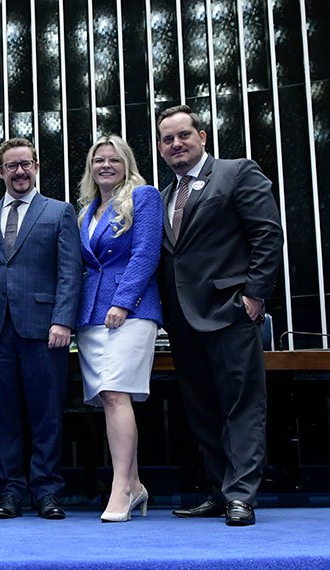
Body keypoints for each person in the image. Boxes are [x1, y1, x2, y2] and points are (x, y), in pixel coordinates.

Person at [156, 105, 283, 526]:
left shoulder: (236, 172)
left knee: (242, 406)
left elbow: (267, 234)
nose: (176, 144)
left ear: (202, 136)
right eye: (167, 139)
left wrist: (254, 295)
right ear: (159, 148)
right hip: (182, 321)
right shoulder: (162, 197)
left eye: (183, 136)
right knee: (202, 409)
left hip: (230, 311)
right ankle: (217, 489)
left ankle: (242, 495)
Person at [0, 138, 82, 520]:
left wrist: (63, 320)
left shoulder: (59, 211)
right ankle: (10, 490)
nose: (19, 172)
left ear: (36, 166)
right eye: (11, 166)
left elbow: (71, 270)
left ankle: (47, 491)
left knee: (46, 413)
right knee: (1, 414)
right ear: (0, 171)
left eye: (26, 164)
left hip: (44, 329)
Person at [74, 135, 163, 522]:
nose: (105, 165)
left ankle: (121, 488)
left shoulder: (144, 197)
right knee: (110, 401)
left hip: (131, 310)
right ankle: (137, 484)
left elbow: (146, 253)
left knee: (114, 394)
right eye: (98, 160)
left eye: (113, 159)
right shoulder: (86, 210)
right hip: (91, 315)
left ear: (126, 163)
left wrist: (122, 302)